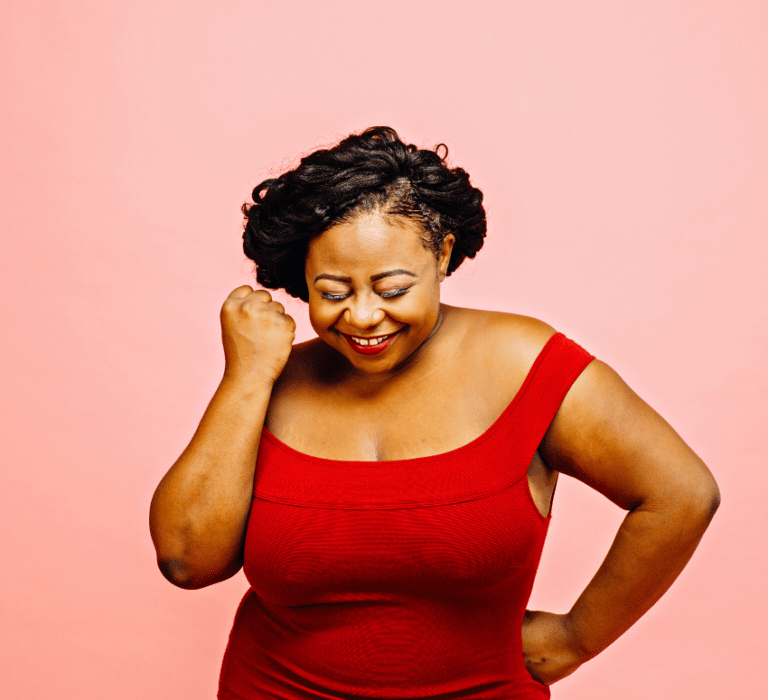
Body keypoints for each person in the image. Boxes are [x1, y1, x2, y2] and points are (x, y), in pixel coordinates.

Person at [149, 126, 720, 699]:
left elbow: (682, 493)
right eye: (333, 291)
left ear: (442, 254)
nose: (364, 315)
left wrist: (576, 638)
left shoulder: (524, 364)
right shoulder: (270, 380)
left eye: (392, 289)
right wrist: (246, 377)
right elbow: (185, 561)